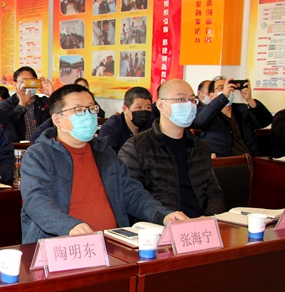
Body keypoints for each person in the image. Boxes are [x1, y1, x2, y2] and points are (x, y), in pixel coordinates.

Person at [20, 84, 187, 244]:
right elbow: (36, 201)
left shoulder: (104, 152)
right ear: (57, 119)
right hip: (63, 245)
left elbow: (131, 193)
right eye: (79, 110)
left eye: (91, 109)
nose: (88, 115)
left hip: (113, 243)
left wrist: (163, 215)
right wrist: (69, 226)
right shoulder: (39, 155)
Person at [119, 79, 225, 219]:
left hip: (199, 223)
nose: (189, 105)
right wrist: (165, 216)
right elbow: (132, 196)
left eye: (192, 100)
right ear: (161, 105)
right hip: (159, 223)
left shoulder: (200, 147)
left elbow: (214, 192)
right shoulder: (136, 147)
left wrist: (207, 217)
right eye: (181, 99)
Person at [192, 78, 273, 158]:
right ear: (211, 95)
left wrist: (249, 100)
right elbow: (199, 122)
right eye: (221, 87)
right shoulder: (207, 111)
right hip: (222, 161)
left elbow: (266, 121)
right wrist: (223, 97)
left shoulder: (242, 109)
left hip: (247, 159)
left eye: (229, 87)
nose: (227, 90)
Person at [0, 66, 52, 141]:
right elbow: (6, 125)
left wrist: (52, 94)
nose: (28, 85)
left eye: (31, 81)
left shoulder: (45, 102)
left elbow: (61, 116)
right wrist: (22, 104)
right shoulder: (6, 104)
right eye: (24, 81)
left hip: (42, 146)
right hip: (18, 146)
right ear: (15, 84)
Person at [98, 86, 154, 153]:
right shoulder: (110, 128)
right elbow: (109, 157)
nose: (144, 112)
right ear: (125, 109)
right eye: (139, 107)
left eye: (148, 107)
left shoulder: (152, 126)